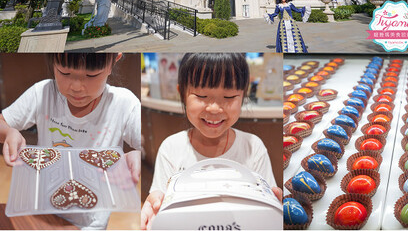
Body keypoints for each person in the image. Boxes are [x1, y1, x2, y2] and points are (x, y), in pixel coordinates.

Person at [141, 53, 282, 230]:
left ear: (243, 95)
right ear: (182, 94)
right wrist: (154, 207)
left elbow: (267, 205)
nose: (214, 108)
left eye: (229, 97)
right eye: (201, 95)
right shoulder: (171, 148)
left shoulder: (253, 147)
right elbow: (159, 200)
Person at [0, 53, 141, 230]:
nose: (76, 87)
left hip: (90, 223)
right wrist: (9, 133)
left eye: (91, 75)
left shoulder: (125, 105)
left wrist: (138, 155)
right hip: (44, 211)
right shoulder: (43, 93)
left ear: (114, 59)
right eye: (64, 73)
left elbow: (148, 148)